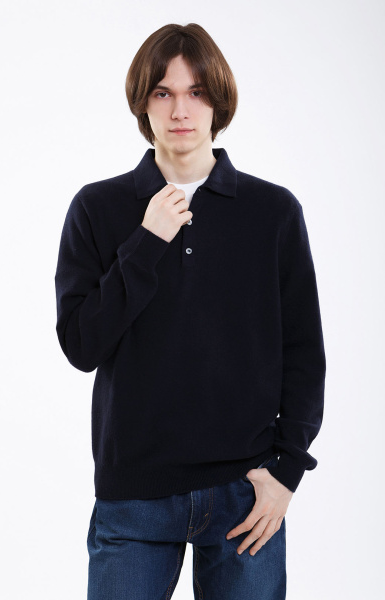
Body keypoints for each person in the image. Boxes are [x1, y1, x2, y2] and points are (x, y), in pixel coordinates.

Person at [54, 22, 326, 600]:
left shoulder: (273, 212)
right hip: (134, 497)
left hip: (245, 493)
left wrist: (286, 473)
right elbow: (81, 345)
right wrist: (147, 242)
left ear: (218, 102)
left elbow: (304, 354)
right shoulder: (98, 208)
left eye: (196, 92)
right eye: (164, 92)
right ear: (143, 103)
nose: (181, 110)